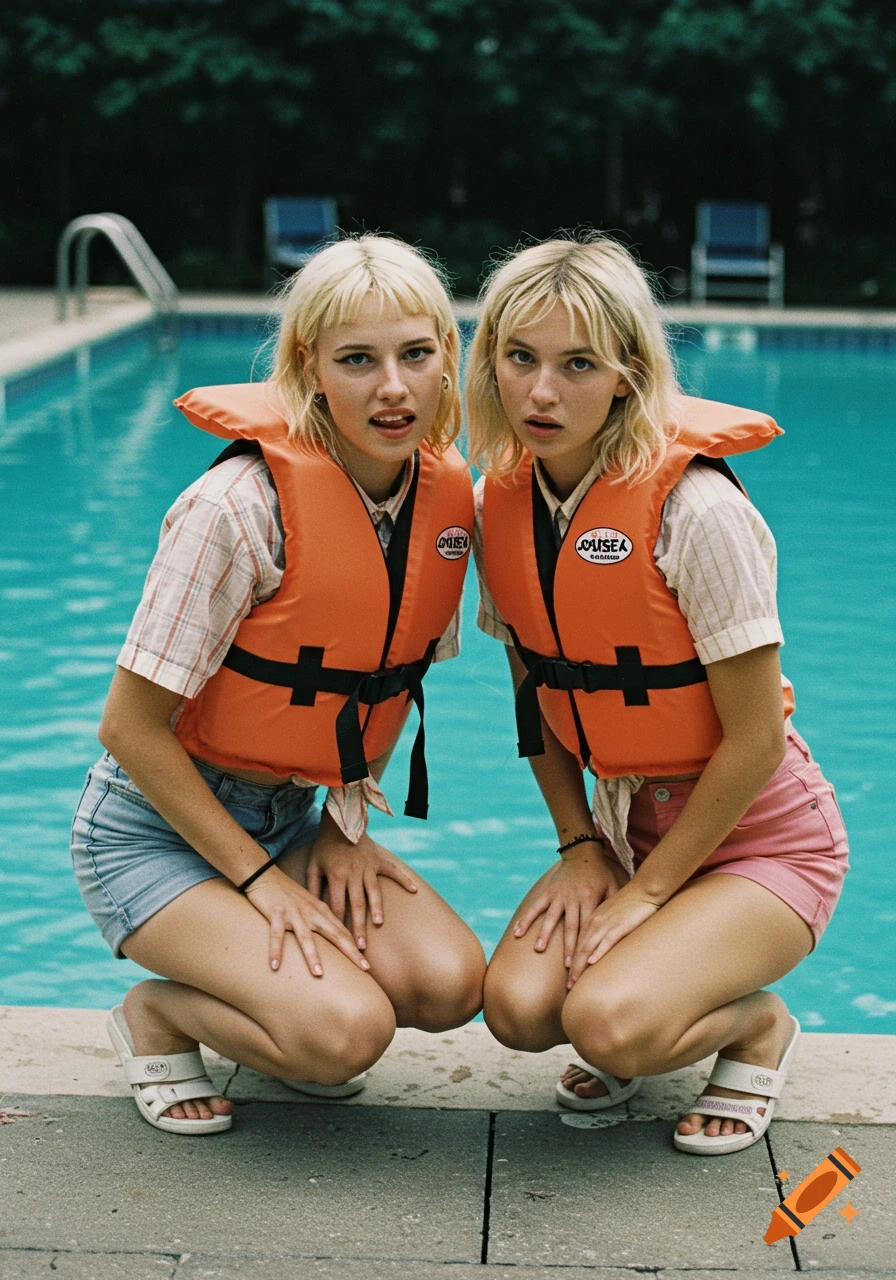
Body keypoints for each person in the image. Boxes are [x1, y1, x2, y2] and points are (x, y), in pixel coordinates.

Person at [71, 235, 486, 1135]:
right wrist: (261, 881)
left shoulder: (443, 501)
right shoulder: (236, 508)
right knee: (345, 1036)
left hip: (298, 817)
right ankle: (160, 1014)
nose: (393, 388)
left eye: (417, 354)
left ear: (447, 359)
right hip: (152, 831)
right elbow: (129, 729)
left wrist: (341, 827)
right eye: (357, 361)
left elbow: (378, 685)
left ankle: (280, 1011)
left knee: (451, 984)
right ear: (308, 366)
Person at [466, 235, 848, 1155]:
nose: (541, 393)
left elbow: (755, 742)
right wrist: (581, 848)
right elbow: (538, 698)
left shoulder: (698, 511)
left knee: (607, 1027)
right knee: (517, 1009)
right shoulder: (499, 502)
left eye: (577, 365)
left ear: (629, 375)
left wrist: (648, 896)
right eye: (519, 359)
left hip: (763, 845)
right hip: (626, 837)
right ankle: (655, 980)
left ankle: (756, 1027)